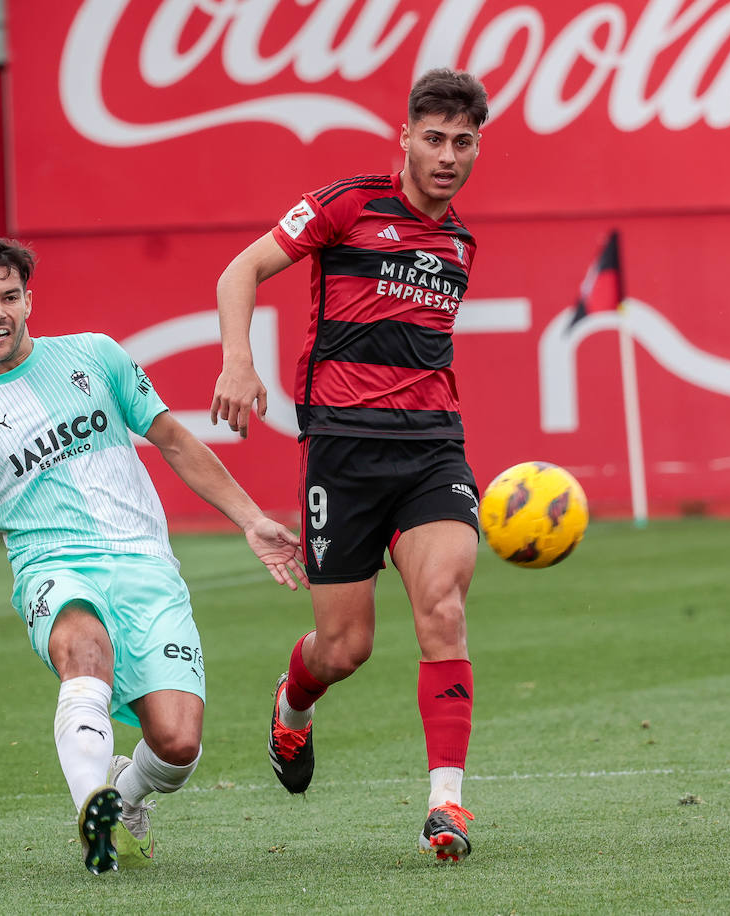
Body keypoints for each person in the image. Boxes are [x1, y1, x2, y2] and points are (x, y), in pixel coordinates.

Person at [0, 237, 308, 875]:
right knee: (84, 651)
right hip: (54, 568)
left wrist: (250, 518)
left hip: (145, 565)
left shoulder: (94, 356)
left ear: (28, 302)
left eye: (7, 297)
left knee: (178, 745)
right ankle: (95, 810)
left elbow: (174, 441)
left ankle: (125, 794)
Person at [210, 69, 490, 862]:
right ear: (404, 137)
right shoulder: (347, 204)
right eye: (432, 138)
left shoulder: (462, 243)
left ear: (477, 148)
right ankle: (293, 703)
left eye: (461, 142)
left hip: (435, 450)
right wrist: (239, 361)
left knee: (443, 607)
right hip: (342, 452)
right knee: (345, 650)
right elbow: (241, 271)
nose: (446, 155)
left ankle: (448, 804)